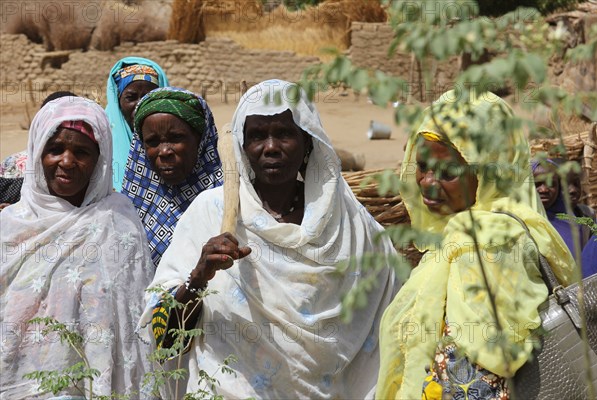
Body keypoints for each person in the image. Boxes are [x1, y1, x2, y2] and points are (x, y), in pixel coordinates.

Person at [137, 80, 398, 398]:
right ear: (243, 146)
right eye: (258, 135)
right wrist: (199, 277)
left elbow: (394, 315)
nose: (271, 146)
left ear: (308, 142)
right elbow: (165, 338)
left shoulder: (349, 223)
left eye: (285, 134)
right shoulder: (209, 214)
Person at [377, 91, 576, 399]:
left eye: (447, 173)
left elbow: (489, 366)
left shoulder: (490, 244)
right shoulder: (451, 242)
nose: (427, 183)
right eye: (422, 166)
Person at [0, 96, 155, 399]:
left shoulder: (119, 219)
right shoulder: (10, 225)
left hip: (99, 386)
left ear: (101, 159)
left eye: (81, 152)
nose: (67, 162)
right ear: (36, 153)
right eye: (55, 149)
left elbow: (134, 317)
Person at [121, 87, 223, 267]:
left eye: (176, 138)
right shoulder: (130, 209)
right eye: (153, 142)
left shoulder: (226, 203)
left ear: (200, 140)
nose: (165, 151)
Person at [105, 57, 169, 191]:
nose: (140, 105)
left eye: (148, 97)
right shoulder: (101, 139)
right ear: (118, 101)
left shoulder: (177, 137)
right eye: (131, 98)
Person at [532, 158, 586, 257]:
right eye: (537, 184)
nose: (544, 189)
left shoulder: (572, 223)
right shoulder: (521, 221)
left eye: (551, 184)